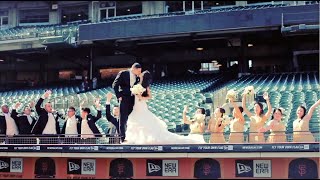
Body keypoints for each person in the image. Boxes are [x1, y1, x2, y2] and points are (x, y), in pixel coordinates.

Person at [124, 70, 205, 144]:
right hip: (136, 107)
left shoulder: (146, 87)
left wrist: (141, 97)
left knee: (144, 121)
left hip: (142, 106)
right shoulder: (137, 86)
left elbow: (150, 97)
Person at [112, 63, 142, 143]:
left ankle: (131, 136)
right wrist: (118, 96)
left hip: (132, 99)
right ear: (134, 69)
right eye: (138, 71)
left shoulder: (137, 77)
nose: (139, 72)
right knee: (123, 119)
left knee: (131, 118)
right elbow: (114, 85)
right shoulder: (123, 73)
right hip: (124, 99)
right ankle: (122, 138)